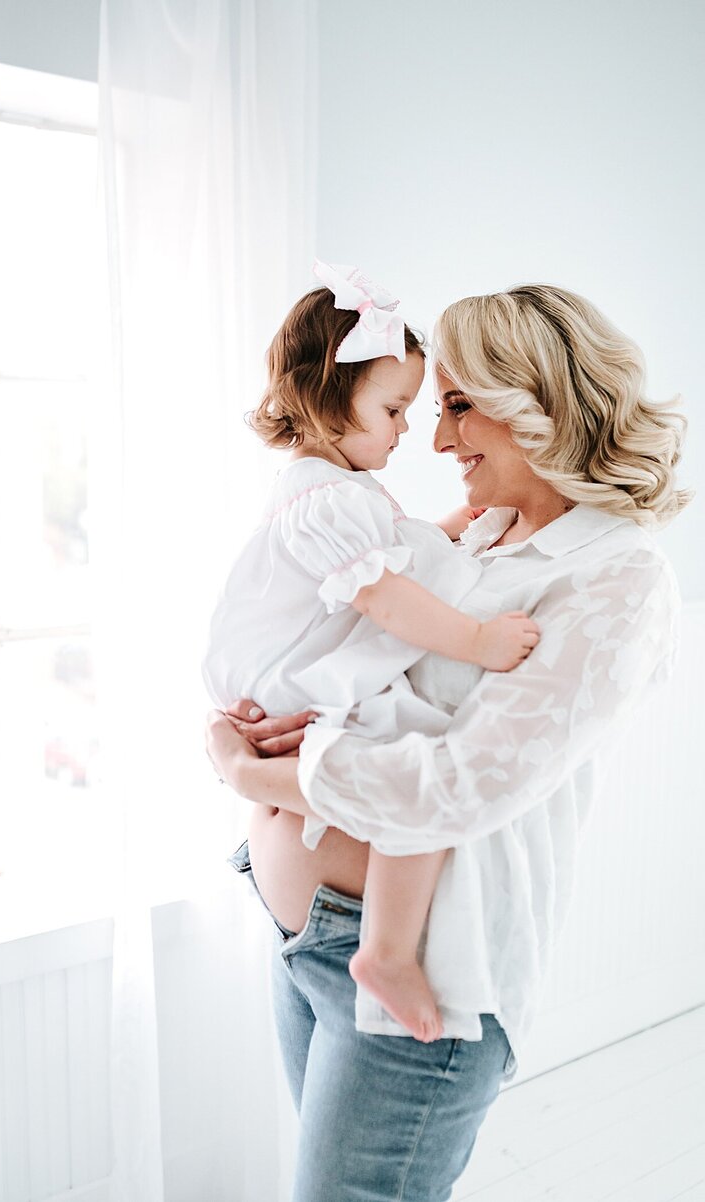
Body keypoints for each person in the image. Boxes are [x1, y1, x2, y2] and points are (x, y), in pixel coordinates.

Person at [206, 282, 690, 1202]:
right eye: (428, 410)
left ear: (537, 402)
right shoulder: (482, 542)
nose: (434, 442)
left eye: (459, 408)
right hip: (307, 938)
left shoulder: (618, 581)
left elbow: (455, 787)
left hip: (422, 971)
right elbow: (352, 657)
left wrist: (253, 766)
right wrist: (252, 719)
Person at [203, 260, 540, 1042]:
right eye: (393, 409)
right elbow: (387, 595)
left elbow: (408, 551)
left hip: (285, 681)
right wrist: (480, 641)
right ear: (329, 392)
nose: (408, 431)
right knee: (413, 754)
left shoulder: (332, 493)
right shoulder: (326, 497)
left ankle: (384, 947)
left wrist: (467, 516)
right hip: (283, 678)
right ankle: (386, 950)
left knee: (405, 757)